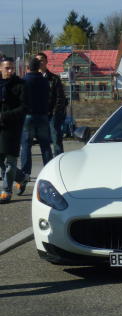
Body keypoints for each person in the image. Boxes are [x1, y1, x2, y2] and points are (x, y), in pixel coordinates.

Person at [18, 58, 52, 192]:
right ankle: (49, 173)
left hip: (28, 117)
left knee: (26, 147)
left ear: (27, 67)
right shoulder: (45, 81)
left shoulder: (24, 81)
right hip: (43, 116)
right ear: (38, 67)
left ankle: (24, 176)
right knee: (45, 147)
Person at [0, 57, 27, 203]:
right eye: (7, 68)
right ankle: (22, 178)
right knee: (1, 160)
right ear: (0, 69)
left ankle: (6, 191)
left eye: (12, 68)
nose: (10, 71)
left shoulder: (21, 85)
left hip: (12, 127)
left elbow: (24, 107)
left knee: (10, 161)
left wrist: (4, 116)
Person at [34, 52, 66, 157]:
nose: (40, 62)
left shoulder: (54, 79)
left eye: (42, 60)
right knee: (44, 142)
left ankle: (60, 162)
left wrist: (54, 112)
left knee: (56, 139)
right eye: (37, 60)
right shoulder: (31, 79)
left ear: (46, 61)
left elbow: (60, 97)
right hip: (39, 115)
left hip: (53, 114)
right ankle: (48, 164)